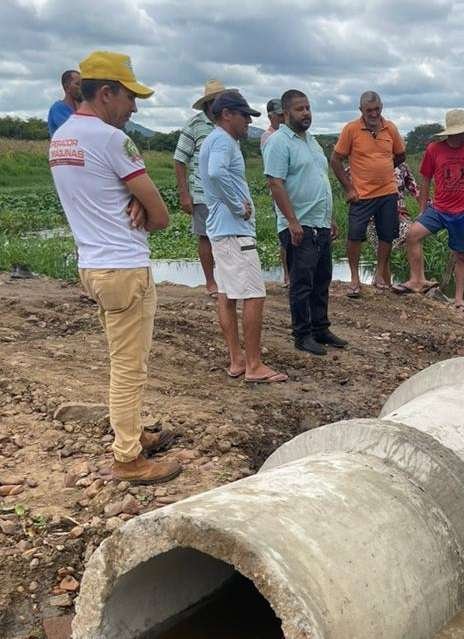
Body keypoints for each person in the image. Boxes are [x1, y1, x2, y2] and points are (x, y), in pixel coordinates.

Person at [48, 51, 180, 484]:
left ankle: (133, 432)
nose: (134, 107)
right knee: (129, 366)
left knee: (122, 358)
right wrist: (141, 206)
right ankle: (128, 457)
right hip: (124, 266)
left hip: (93, 265)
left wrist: (130, 202)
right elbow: (160, 216)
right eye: (129, 97)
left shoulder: (62, 137)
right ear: (106, 93)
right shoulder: (110, 140)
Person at [199, 90, 287, 384]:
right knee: (253, 294)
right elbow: (215, 173)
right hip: (233, 230)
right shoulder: (224, 141)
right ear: (227, 114)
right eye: (244, 116)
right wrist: (239, 204)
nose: (248, 122)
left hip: (219, 230)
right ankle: (253, 364)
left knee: (226, 295)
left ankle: (237, 360)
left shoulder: (212, 140)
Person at [263, 89, 347, 356]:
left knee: (322, 278)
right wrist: (291, 221)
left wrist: (329, 217)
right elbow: (275, 183)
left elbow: (318, 180)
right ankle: (302, 334)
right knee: (302, 282)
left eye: (308, 108)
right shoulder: (279, 142)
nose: (306, 113)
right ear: (286, 113)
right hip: (299, 226)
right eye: (299, 109)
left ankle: (320, 328)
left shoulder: (311, 141)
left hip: (319, 223)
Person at [396, 109, 464, 309]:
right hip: (439, 209)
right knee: (413, 234)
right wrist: (423, 208)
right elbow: (425, 179)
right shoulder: (434, 150)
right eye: (461, 131)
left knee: (461, 255)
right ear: (451, 133)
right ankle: (417, 280)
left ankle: (458, 299)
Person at [330, 91, 406, 296]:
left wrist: (384, 170)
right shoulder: (351, 129)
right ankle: (354, 278)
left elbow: (400, 155)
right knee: (355, 235)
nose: (373, 113)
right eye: (369, 110)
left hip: (388, 192)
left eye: (377, 109)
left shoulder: (390, 128)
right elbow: (336, 160)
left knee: (387, 235)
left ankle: (380, 274)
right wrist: (349, 188)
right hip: (361, 194)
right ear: (361, 110)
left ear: (381, 107)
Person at [173, 80, 228, 297]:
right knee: (206, 237)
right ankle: (210, 282)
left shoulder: (227, 123)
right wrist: (184, 193)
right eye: (216, 101)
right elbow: (179, 160)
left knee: (225, 237)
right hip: (202, 193)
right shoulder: (195, 125)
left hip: (225, 195)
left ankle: (225, 279)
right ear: (208, 103)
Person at [260, 98, 289, 287]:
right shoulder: (268, 137)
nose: (282, 119)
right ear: (270, 116)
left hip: (292, 191)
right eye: (279, 115)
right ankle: (288, 275)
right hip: (280, 191)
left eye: (283, 115)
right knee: (285, 233)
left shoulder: (286, 135)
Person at [47, 69, 81, 136]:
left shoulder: (81, 108)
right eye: (77, 84)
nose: (81, 88)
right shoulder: (58, 108)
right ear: (67, 87)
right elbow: (74, 131)